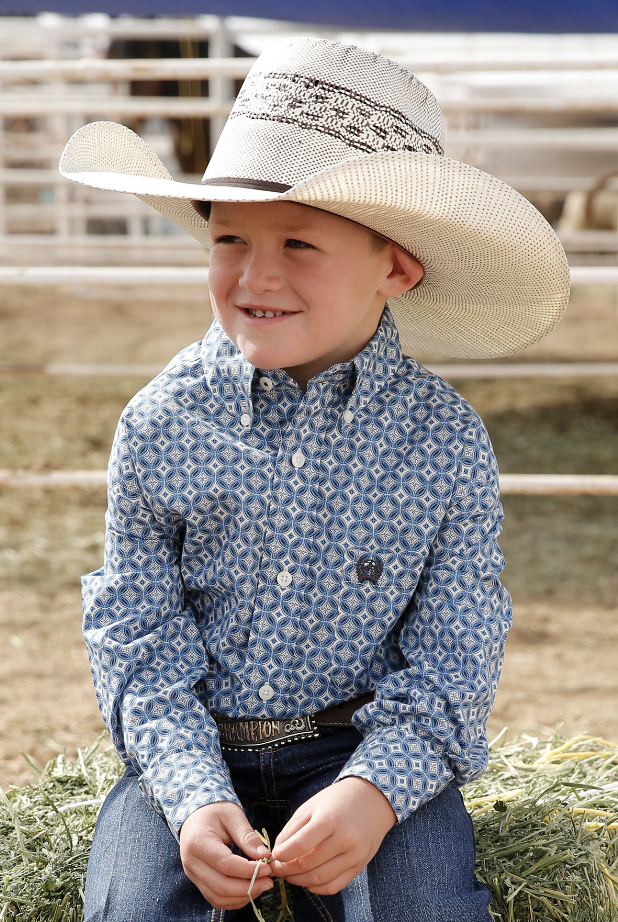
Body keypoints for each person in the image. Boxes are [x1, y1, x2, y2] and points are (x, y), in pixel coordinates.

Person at [60, 36, 570, 922]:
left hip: (363, 752)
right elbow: (135, 636)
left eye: (299, 242)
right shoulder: (161, 424)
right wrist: (188, 793)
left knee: (424, 908)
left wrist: (376, 791)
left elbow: (458, 648)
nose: (257, 275)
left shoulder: (442, 444)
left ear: (396, 267)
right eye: (229, 238)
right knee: (135, 907)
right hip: (193, 754)